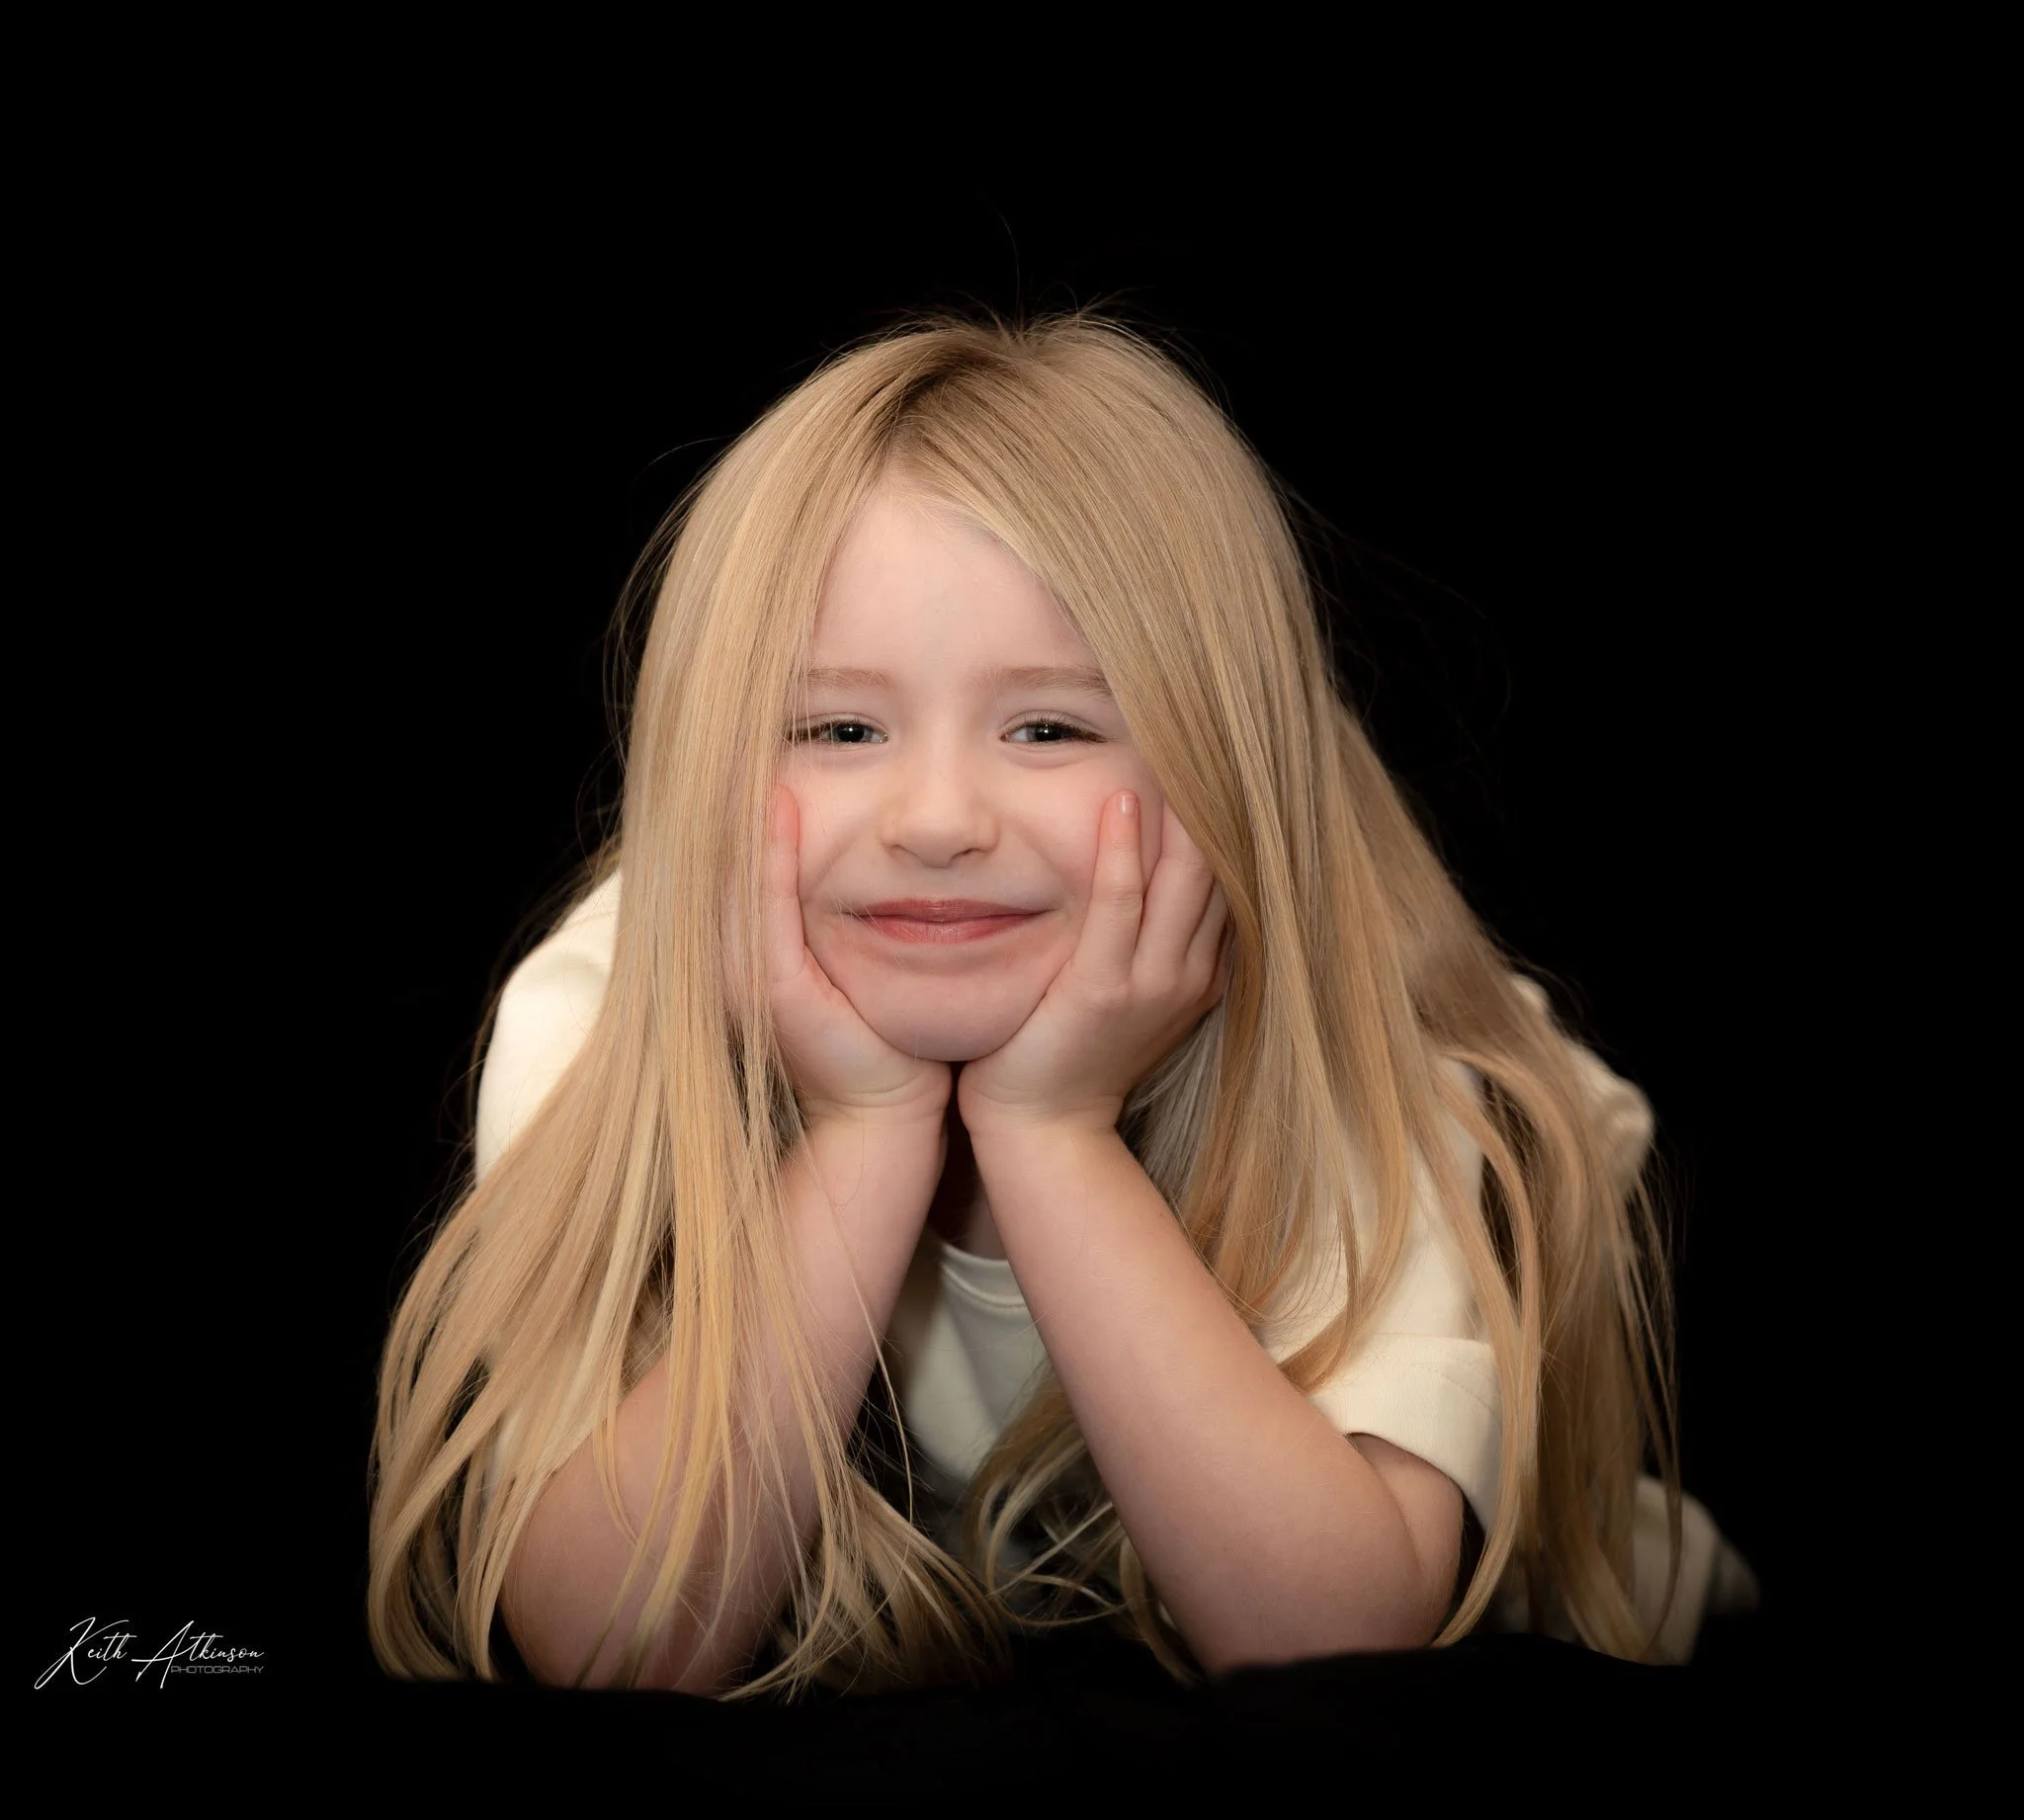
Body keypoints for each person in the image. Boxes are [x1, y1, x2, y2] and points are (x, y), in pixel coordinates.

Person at [367, 310, 1756, 1699]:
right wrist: (864, 1131)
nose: (937, 819)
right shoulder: (607, 1004)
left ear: (1220, 767)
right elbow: (614, 1645)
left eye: (1049, 727)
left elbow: (1332, 1643)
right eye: (839, 727)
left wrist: (1052, 1132)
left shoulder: (1349, 1038)